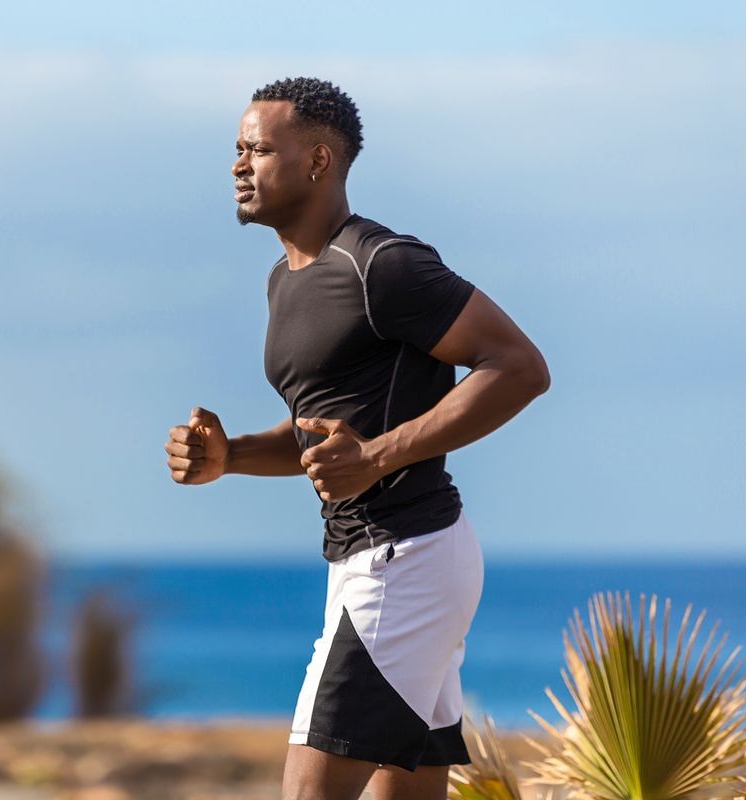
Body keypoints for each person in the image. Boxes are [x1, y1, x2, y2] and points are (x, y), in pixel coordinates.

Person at [164, 77, 551, 800]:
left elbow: (520, 367)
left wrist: (377, 457)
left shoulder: (382, 264)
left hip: (403, 558)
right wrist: (233, 457)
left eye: (257, 149)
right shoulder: (285, 280)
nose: (238, 165)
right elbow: (324, 430)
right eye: (237, 149)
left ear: (317, 161)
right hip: (386, 559)